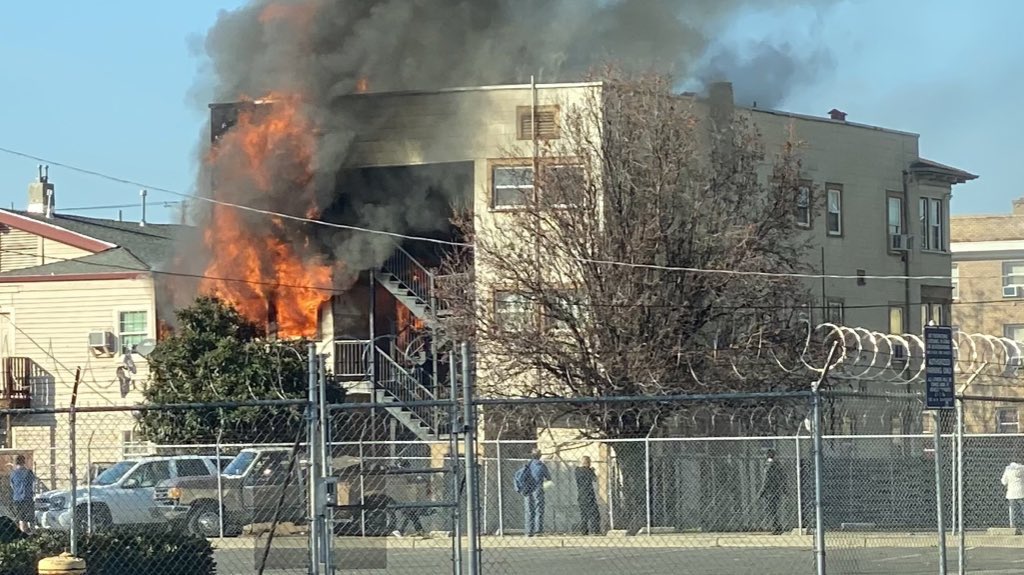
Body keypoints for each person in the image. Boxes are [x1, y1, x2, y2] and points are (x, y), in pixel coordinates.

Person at [516, 450, 550, 537]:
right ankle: (538, 531)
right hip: (538, 489)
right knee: (539, 509)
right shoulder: (541, 465)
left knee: (529, 510)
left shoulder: (527, 465)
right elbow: (549, 478)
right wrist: (545, 488)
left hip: (527, 489)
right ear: (540, 456)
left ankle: (528, 531)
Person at [759, 449, 785, 535]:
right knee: (774, 508)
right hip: (776, 489)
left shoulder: (768, 465)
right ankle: (777, 526)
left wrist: (762, 490)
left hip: (769, 491)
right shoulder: (778, 465)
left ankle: (776, 527)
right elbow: (782, 477)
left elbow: (766, 479)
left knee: (770, 509)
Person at [9, 455, 35, 533]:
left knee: (21, 519)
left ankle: (23, 533)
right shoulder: (29, 472)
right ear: (24, 462)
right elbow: (33, 484)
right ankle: (30, 533)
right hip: (27, 498)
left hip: (17, 498)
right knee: (30, 519)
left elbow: (12, 485)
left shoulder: (13, 473)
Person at [575, 456, 600, 535]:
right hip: (589, 494)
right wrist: (592, 471)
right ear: (588, 463)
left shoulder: (577, 471)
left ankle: (584, 531)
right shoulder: (589, 471)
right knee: (594, 513)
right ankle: (595, 530)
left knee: (584, 514)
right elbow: (595, 479)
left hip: (581, 495)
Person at [1001, 459, 1024, 529]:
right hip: (1021, 492)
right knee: (1022, 508)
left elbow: (1004, 481)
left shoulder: (1008, 469)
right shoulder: (1022, 468)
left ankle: (1012, 525)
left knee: (1012, 509)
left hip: (1011, 493)